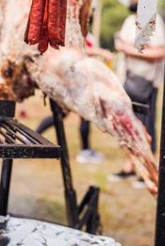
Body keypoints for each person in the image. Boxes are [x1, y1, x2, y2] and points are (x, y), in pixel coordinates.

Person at [109, 0, 165, 187]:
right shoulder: (128, 21)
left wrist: (127, 49)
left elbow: (158, 52)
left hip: (145, 82)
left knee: (146, 126)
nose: (132, 0)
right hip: (127, 81)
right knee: (127, 125)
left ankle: (150, 170)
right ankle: (130, 166)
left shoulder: (154, 21)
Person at [35, 33, 111, 164]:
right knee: (83, 115)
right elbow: (76, 52)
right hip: (74, 81)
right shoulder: (73, 35)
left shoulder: (86, 36)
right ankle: (85, 152)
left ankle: (34, 137)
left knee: (65, 115)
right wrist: (100, 52)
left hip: (78, 80)